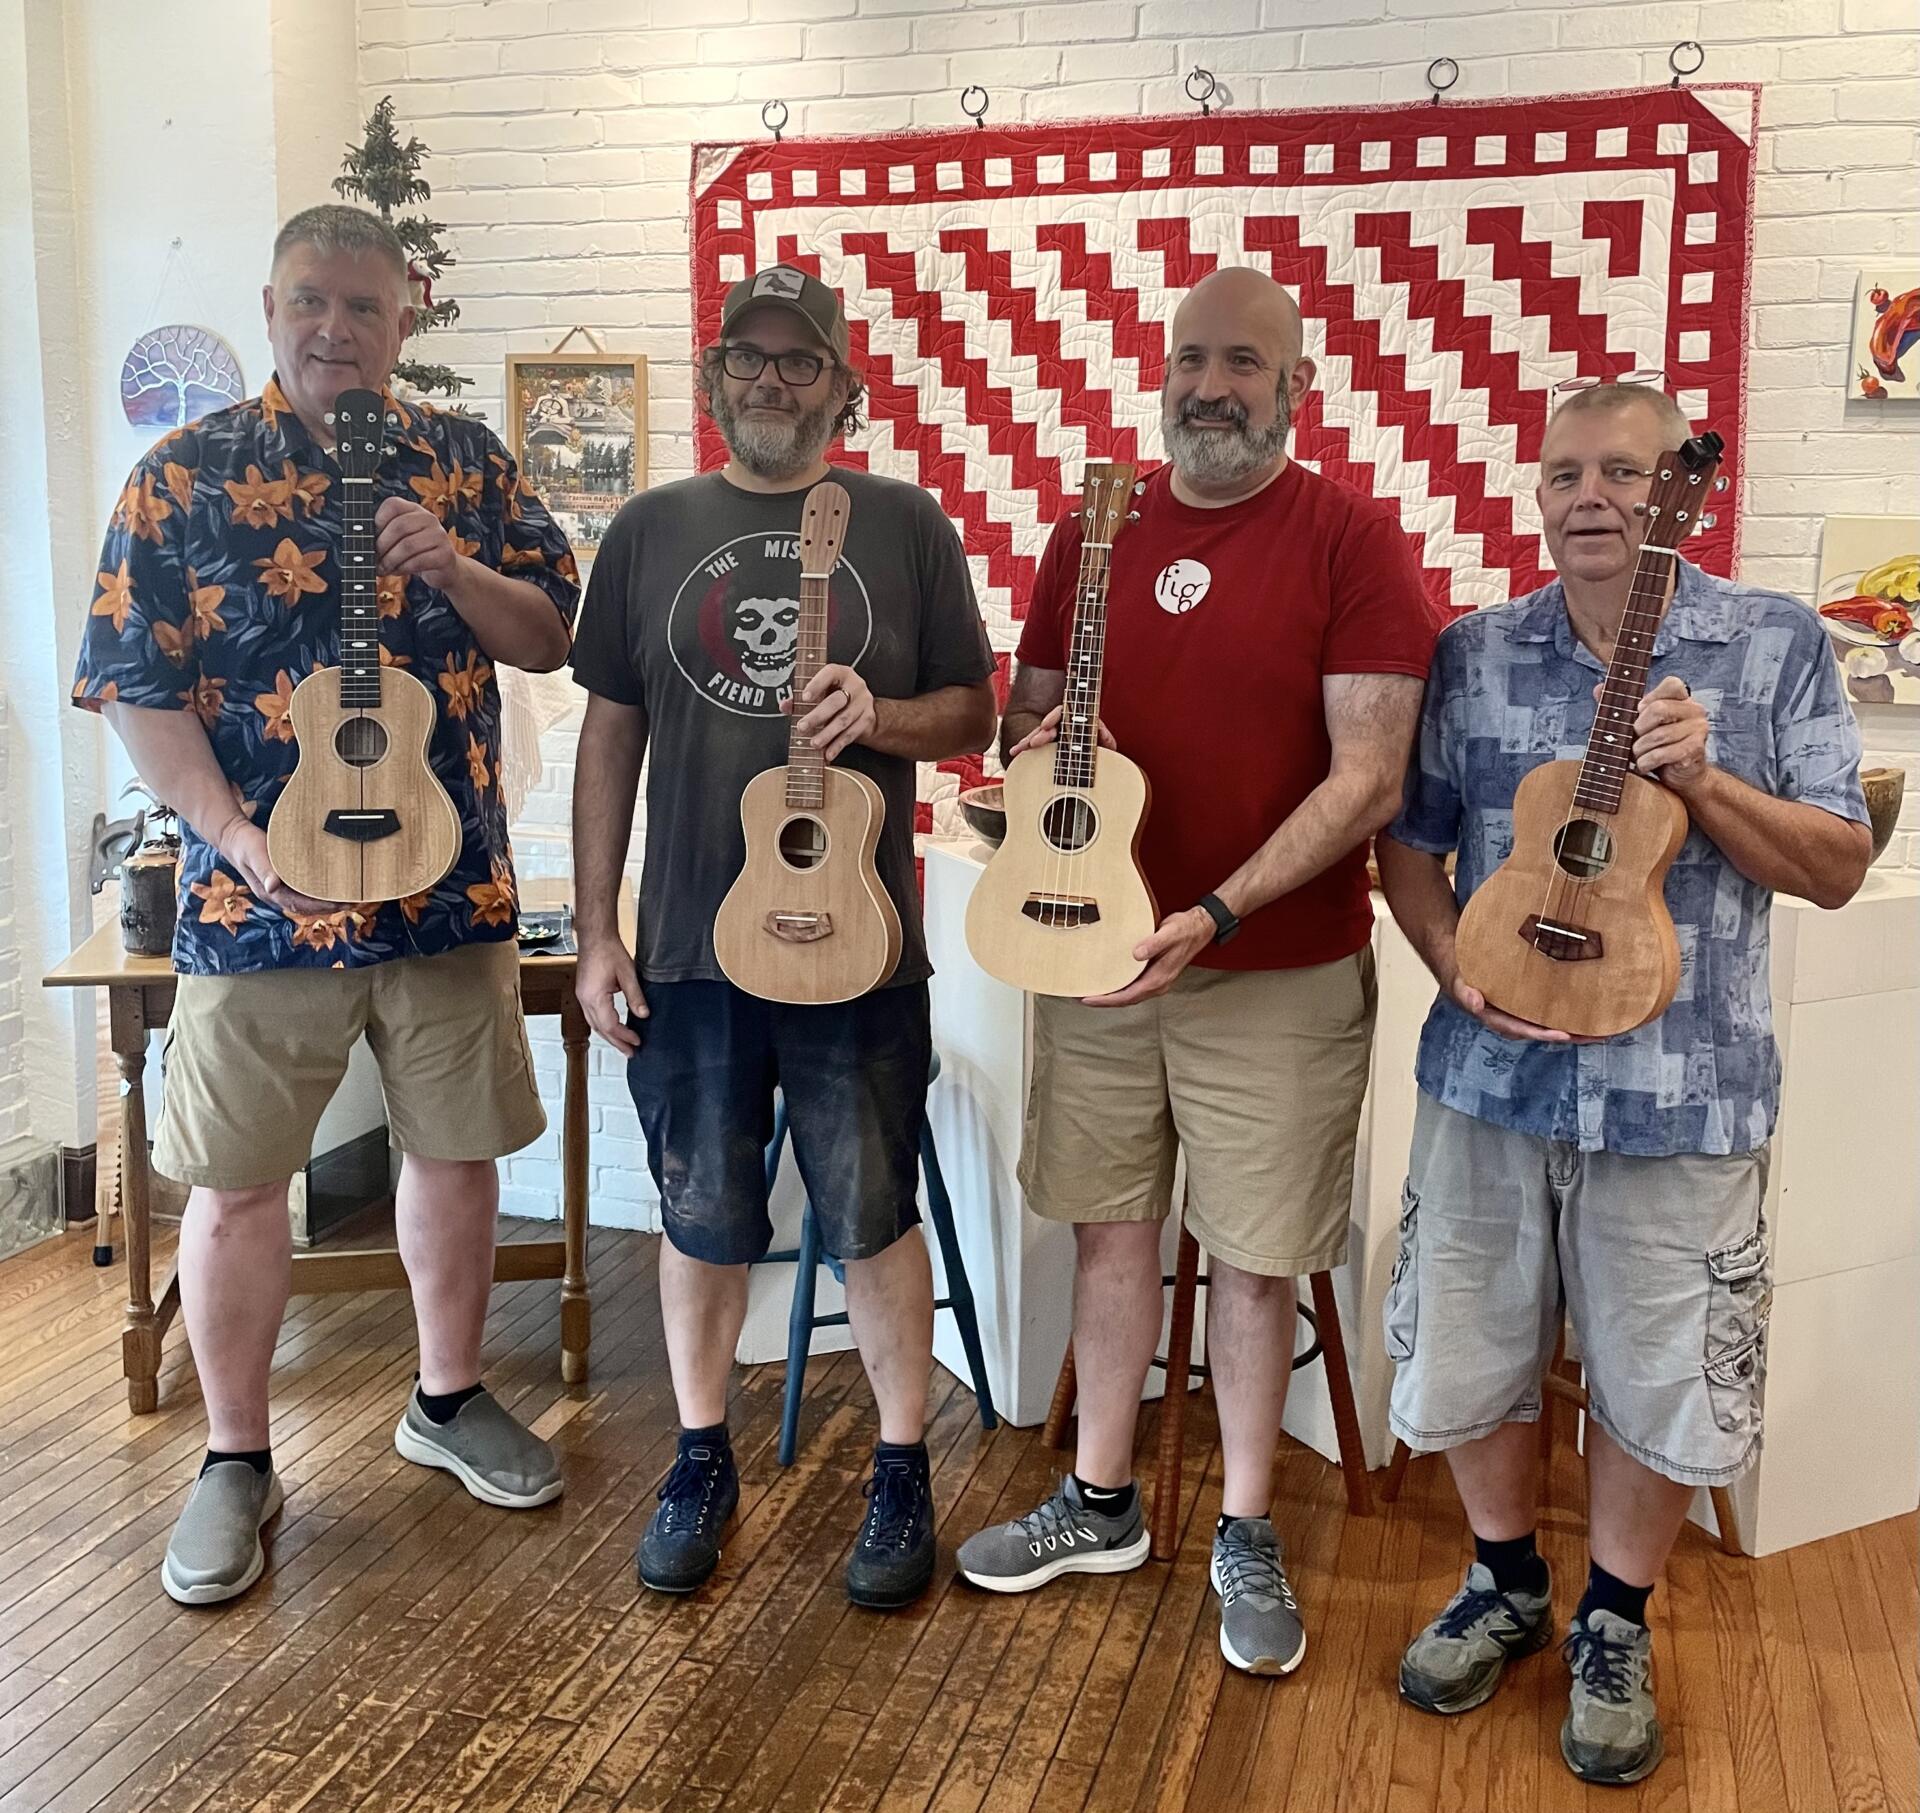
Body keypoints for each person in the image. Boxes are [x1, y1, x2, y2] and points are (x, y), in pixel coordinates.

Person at [71, 203, 580, 1605]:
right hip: (259, 906)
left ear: (404, 317)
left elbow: (554, 636)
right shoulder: (181, 479)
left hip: (448, 896)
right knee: (237, 1183)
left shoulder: (465, 461)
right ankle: (236, 1456)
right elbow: (133, 685)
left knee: (456, 1156)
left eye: (363, 306)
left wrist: (456, 565)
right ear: (271, 304)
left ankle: (448, 1396)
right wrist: (234, 837)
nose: (335, 330)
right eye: (310, 301)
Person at [1376, 381, 1870, 1785]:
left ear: (1677, 497)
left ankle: (1613, 1618)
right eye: (1566, 473)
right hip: (1488, 1076)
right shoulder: (1474, 652)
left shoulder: (1772, 645)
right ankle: (1503, 1579)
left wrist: (1704, 780)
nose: (1592, 496)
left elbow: (1837, 864)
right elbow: (1408, 845)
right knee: (1471, 1341)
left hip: (1684, 1092)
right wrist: (1449, 961)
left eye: (1626, 472)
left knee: (1660, 1369)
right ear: (1537, 493)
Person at [956, 268, 1438, 1676]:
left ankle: (1243, 1525)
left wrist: (1217, 911)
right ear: (1161, 372)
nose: (1210, 387)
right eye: (1190, 359)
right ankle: (1101, 1500)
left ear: (1296, 388)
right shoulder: (1092, 531)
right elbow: (1027, 715)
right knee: (1109, 1227)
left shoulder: (1348, 539)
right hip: (1096, 952)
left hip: (1272, 968)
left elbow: (1371, 776)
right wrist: (1038, 743)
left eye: (1243, 363)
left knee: (1253, 1253)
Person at [569, 264, 997, 1607]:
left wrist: (880, 716)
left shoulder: (907, 525)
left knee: (872, 1211)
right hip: (690, 947)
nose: (771, 379)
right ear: (714, 380)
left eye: (799, 361)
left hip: (856, 941)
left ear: (842, 388)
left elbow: (974, 710)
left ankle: (901, 1466)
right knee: (698, 1215)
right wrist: (596, 925)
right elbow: (610, 734)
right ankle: (700, 1456)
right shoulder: (648, 530)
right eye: (748, 358)